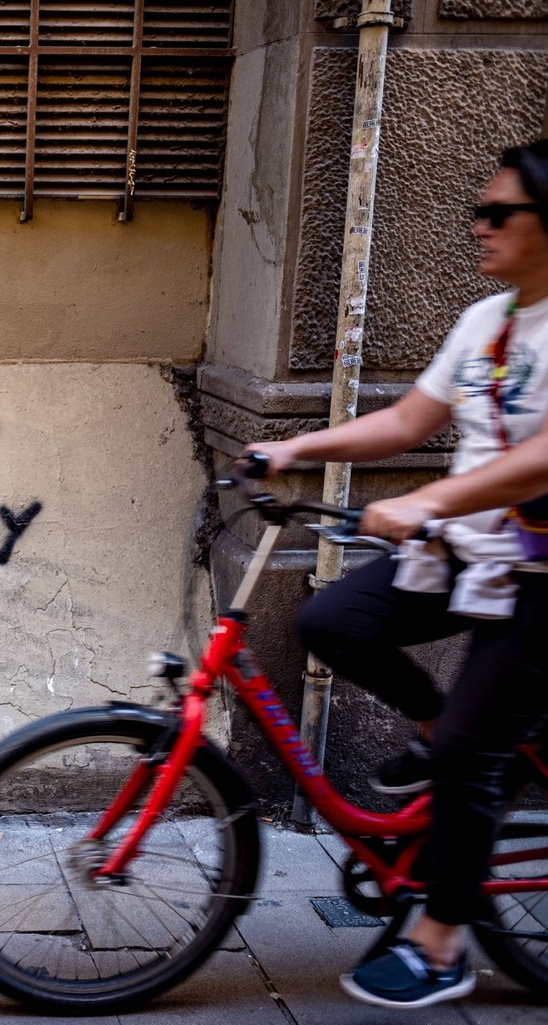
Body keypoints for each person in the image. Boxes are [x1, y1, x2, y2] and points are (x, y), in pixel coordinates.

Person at [246, 140, 548, 1010]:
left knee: (468, 759)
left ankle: (441, 942)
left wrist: (427, 505)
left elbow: (539, 463)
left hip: (540, 575)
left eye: (501, 214)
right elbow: (412, 419)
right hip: (471, 554)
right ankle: (439, 730)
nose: (479, 226)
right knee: (334, 620)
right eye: (478, 210)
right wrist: (296, 449)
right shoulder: (488, 321)